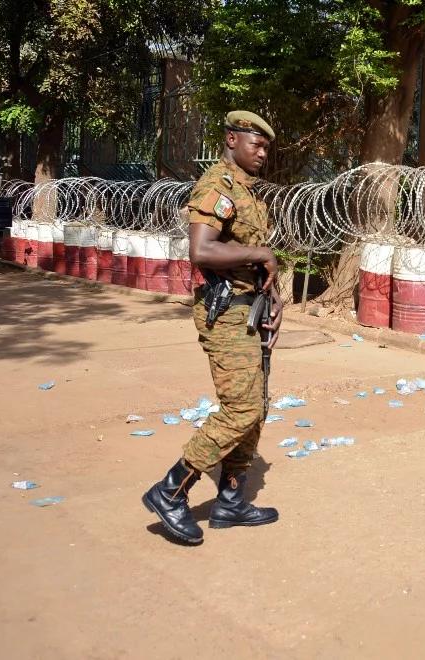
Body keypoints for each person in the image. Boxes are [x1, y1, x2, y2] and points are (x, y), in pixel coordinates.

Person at [142, 110, 283, 545]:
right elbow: (202, 251)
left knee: (255, 406)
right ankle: (171, 491)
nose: (262, 153)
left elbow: (245, 257)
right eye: (255, 144)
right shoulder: (217, 187)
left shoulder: (246, 191)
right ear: (231, 139)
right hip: (226, 314)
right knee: (240, 409)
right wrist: (260, 253)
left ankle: (232, 500)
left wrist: (273, 302)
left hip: (251, 310)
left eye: (265, 147)